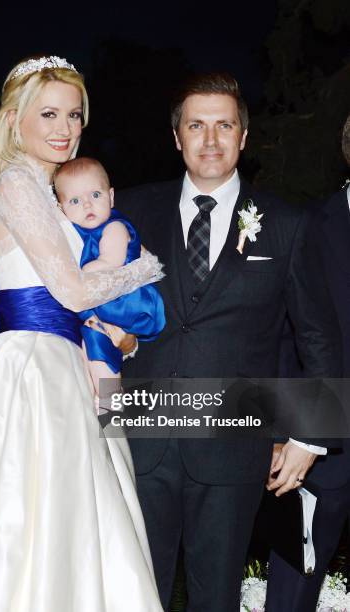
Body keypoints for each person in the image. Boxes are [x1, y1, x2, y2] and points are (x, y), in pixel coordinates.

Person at [0, 56, 165, 612]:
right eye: (49, 114)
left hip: (61, 361)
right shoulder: (19, 184)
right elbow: (70, 292)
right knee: (30, 511)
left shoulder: (51, 188)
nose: (65, 128)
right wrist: (146, 269)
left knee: (72, 516)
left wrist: (116, 334)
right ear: (15, 120)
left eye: (74, 116)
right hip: (34, 371)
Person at [115, 72, 342, 611]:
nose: (210, 139)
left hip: (235, 446)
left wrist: (310, 438)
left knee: (216, 599)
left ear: (244, 136)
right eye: (196, 125)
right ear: (177, 137)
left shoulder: (288, 226)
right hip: (134, 437)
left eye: (224, 125)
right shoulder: (127, 213)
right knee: (128, 596)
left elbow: (319, 338)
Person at [265, 113, 350, 611]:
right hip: (322, 451)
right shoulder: (308, 231)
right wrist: (283, 433)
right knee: (292, 597)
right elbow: (284, 338)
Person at [53, 157, 165, 404]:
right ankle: (96, 396)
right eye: (75, 201)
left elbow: (111, 263)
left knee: (97, 340)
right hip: (100, 301)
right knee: (85, 347)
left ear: (111, 197)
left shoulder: (114, 227)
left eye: (95, 194)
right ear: (62, 209)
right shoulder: (77, 232)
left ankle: (109, 399)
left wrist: (77, 272)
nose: (87, 205)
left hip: (123, 302)